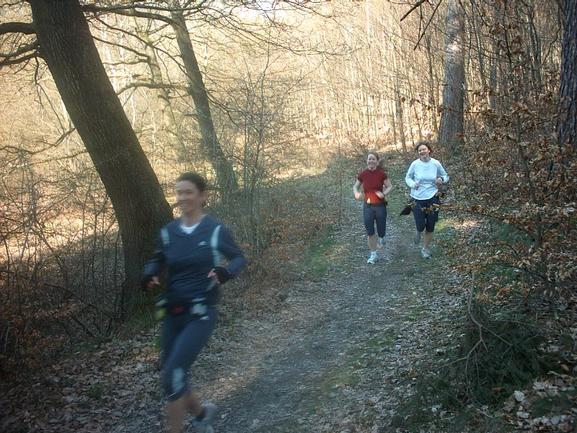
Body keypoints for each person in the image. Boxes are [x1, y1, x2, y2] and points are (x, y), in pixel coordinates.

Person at [142, 172, 247, 433]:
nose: (182, 197)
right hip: (173, 312)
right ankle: (201, 416)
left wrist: (225, 272)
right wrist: (150, 273)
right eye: (179, 192)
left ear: (202, 195)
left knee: (173, 374)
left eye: (188, 192)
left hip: (201, 312)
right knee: (171, 375)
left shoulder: (215, 230)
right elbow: (157, 258)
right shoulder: (168, 232)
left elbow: (238, 258)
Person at [404, 141, 449, 258]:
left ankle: (425, 249)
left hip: (433, 197)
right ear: (418, 153)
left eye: (424, 149)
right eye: (419, 150)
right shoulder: (415, 164)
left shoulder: (435, 163)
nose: (422, 152)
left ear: (429, 150)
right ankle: (418, 231)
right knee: (420, 225)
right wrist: (413, 184)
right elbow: (408, 178)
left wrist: (441, 179)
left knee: (430, 225)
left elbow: (446, 176)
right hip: (417, 198)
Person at [353, 152, 393, 264]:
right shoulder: (363, 174)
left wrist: (383, 194)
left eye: (373, 159)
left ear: (377, 161)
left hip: (380, 206)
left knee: (381, 230)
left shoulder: (381, 174)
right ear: (367, 161)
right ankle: (373, 254)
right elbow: (355, 186)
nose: (371, 161)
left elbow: (390, 186)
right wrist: (356, 193)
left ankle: (382, 237)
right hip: (368, 206)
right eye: (369, 159)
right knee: (370, 231)